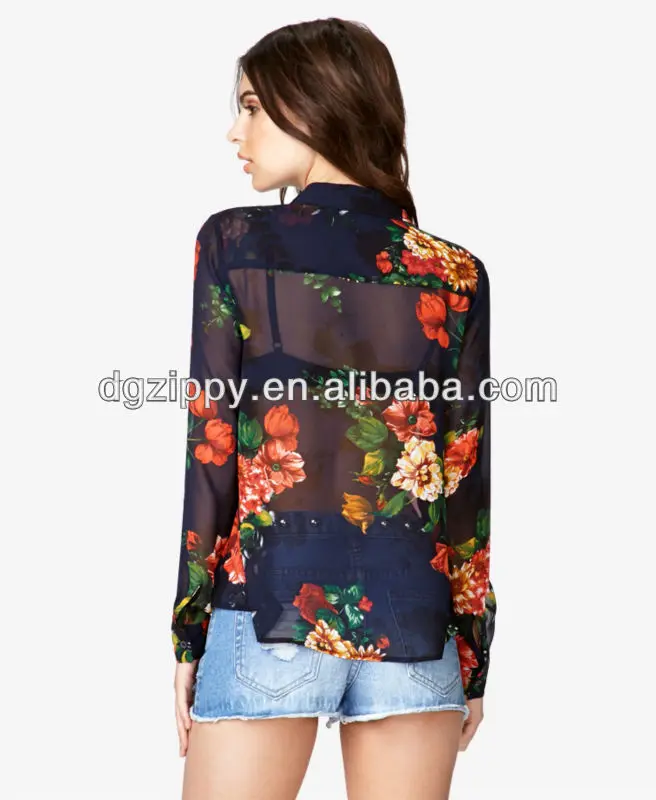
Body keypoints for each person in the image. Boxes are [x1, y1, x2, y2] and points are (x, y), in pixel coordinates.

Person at [172, 17, 496, 800]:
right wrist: (473, 653)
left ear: (312, 105)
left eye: (252, 106)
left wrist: (188, 630)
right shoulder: (456, 274)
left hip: (267, 613)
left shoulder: (236, 243)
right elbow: (464, 483)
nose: (235, 131)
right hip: (417, 627)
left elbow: (213, 450)